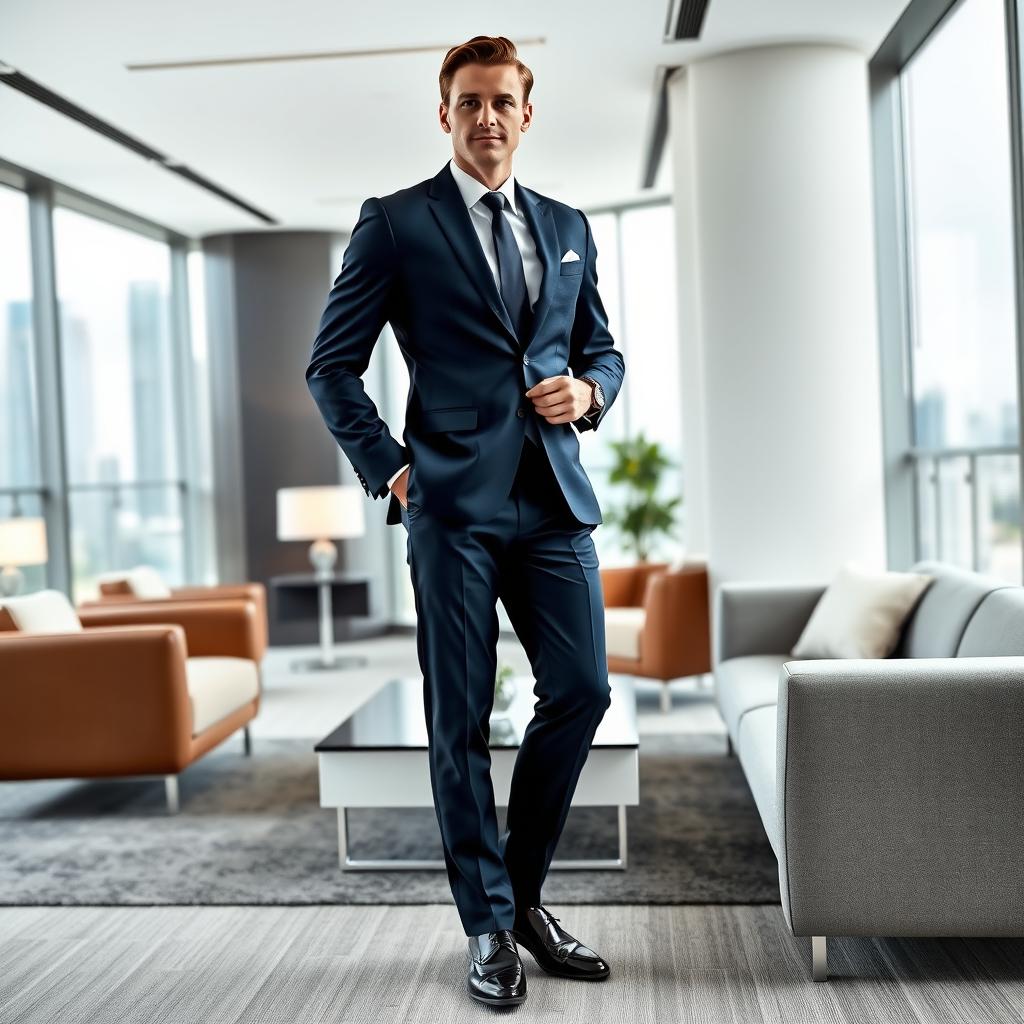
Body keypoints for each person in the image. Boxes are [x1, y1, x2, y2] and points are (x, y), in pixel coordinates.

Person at [305, 33, 625, 1009]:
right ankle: (486, 924)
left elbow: (603, 350)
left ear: (528, 115)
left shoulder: (568, 225)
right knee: (459, 718)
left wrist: (590, 393)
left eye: (502, 102)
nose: (487, 118)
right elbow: (331, 365)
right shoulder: (396, 223)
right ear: (443, 114)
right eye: (469, 102)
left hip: (552, 498)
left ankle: (519, 896)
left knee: (581, 689)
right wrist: (393, 474)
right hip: (448, 507)